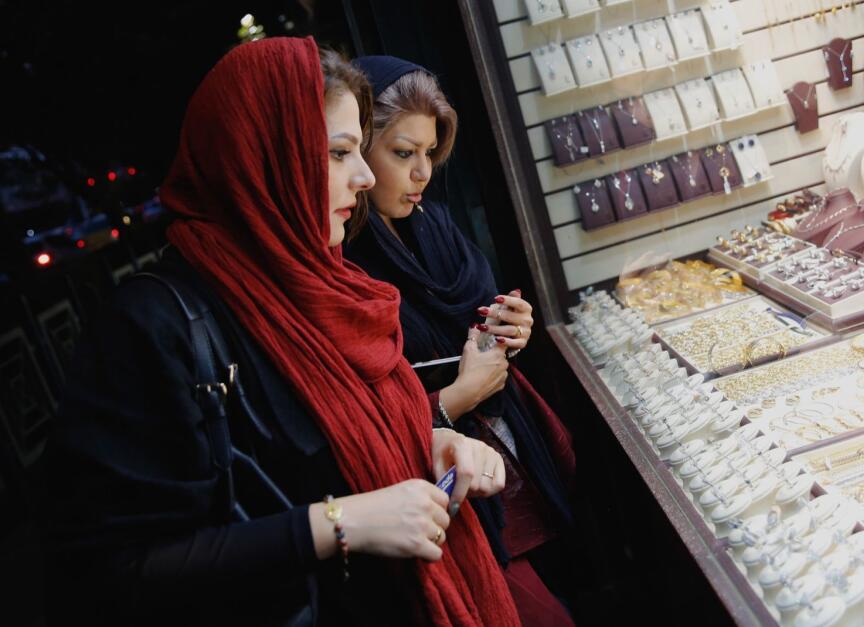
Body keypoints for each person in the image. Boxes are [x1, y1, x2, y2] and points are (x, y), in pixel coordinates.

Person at [43, 37, 520, 626]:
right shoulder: (154, 326)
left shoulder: (329, 291)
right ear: (266, 158)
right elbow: (113, 571)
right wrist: (338, 524)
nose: (366, 176)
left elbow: (317, 454)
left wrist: (418, 444)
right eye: (340, 153)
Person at [344, 56, 575, 626]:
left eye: (429, 153)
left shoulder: (435, 226)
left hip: (511, 473)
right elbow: (359, 423)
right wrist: (458, 396)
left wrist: (510, 327)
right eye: (403, 153)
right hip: (444, 496)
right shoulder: (347, 262)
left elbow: (475, 313)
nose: (422, 172)